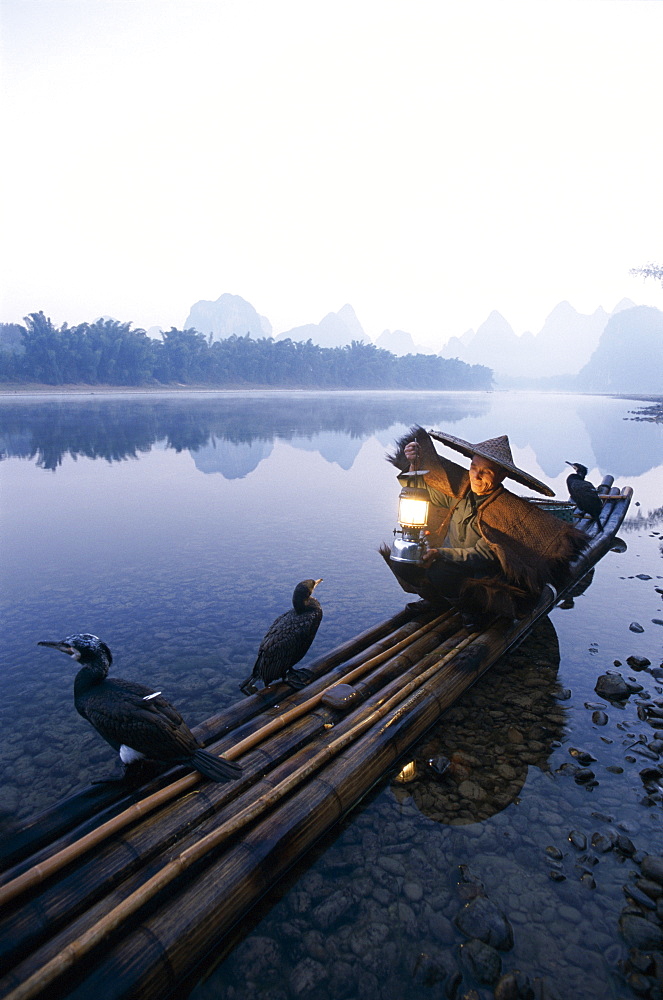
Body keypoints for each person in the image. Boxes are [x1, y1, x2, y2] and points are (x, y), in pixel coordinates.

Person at [381, 426, 588, 620]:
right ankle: (437, 601)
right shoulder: (461, 491)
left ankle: (473, 614)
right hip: (449, 564)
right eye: (473, 467)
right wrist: (414, 463)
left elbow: (485, 553)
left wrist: (441, 553)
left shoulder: (507, 510)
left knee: (440, 571)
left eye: (486, 472)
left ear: (502, 475)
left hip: (479, 578)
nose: (476, 476)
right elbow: (425, 493)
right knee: (403, 560)